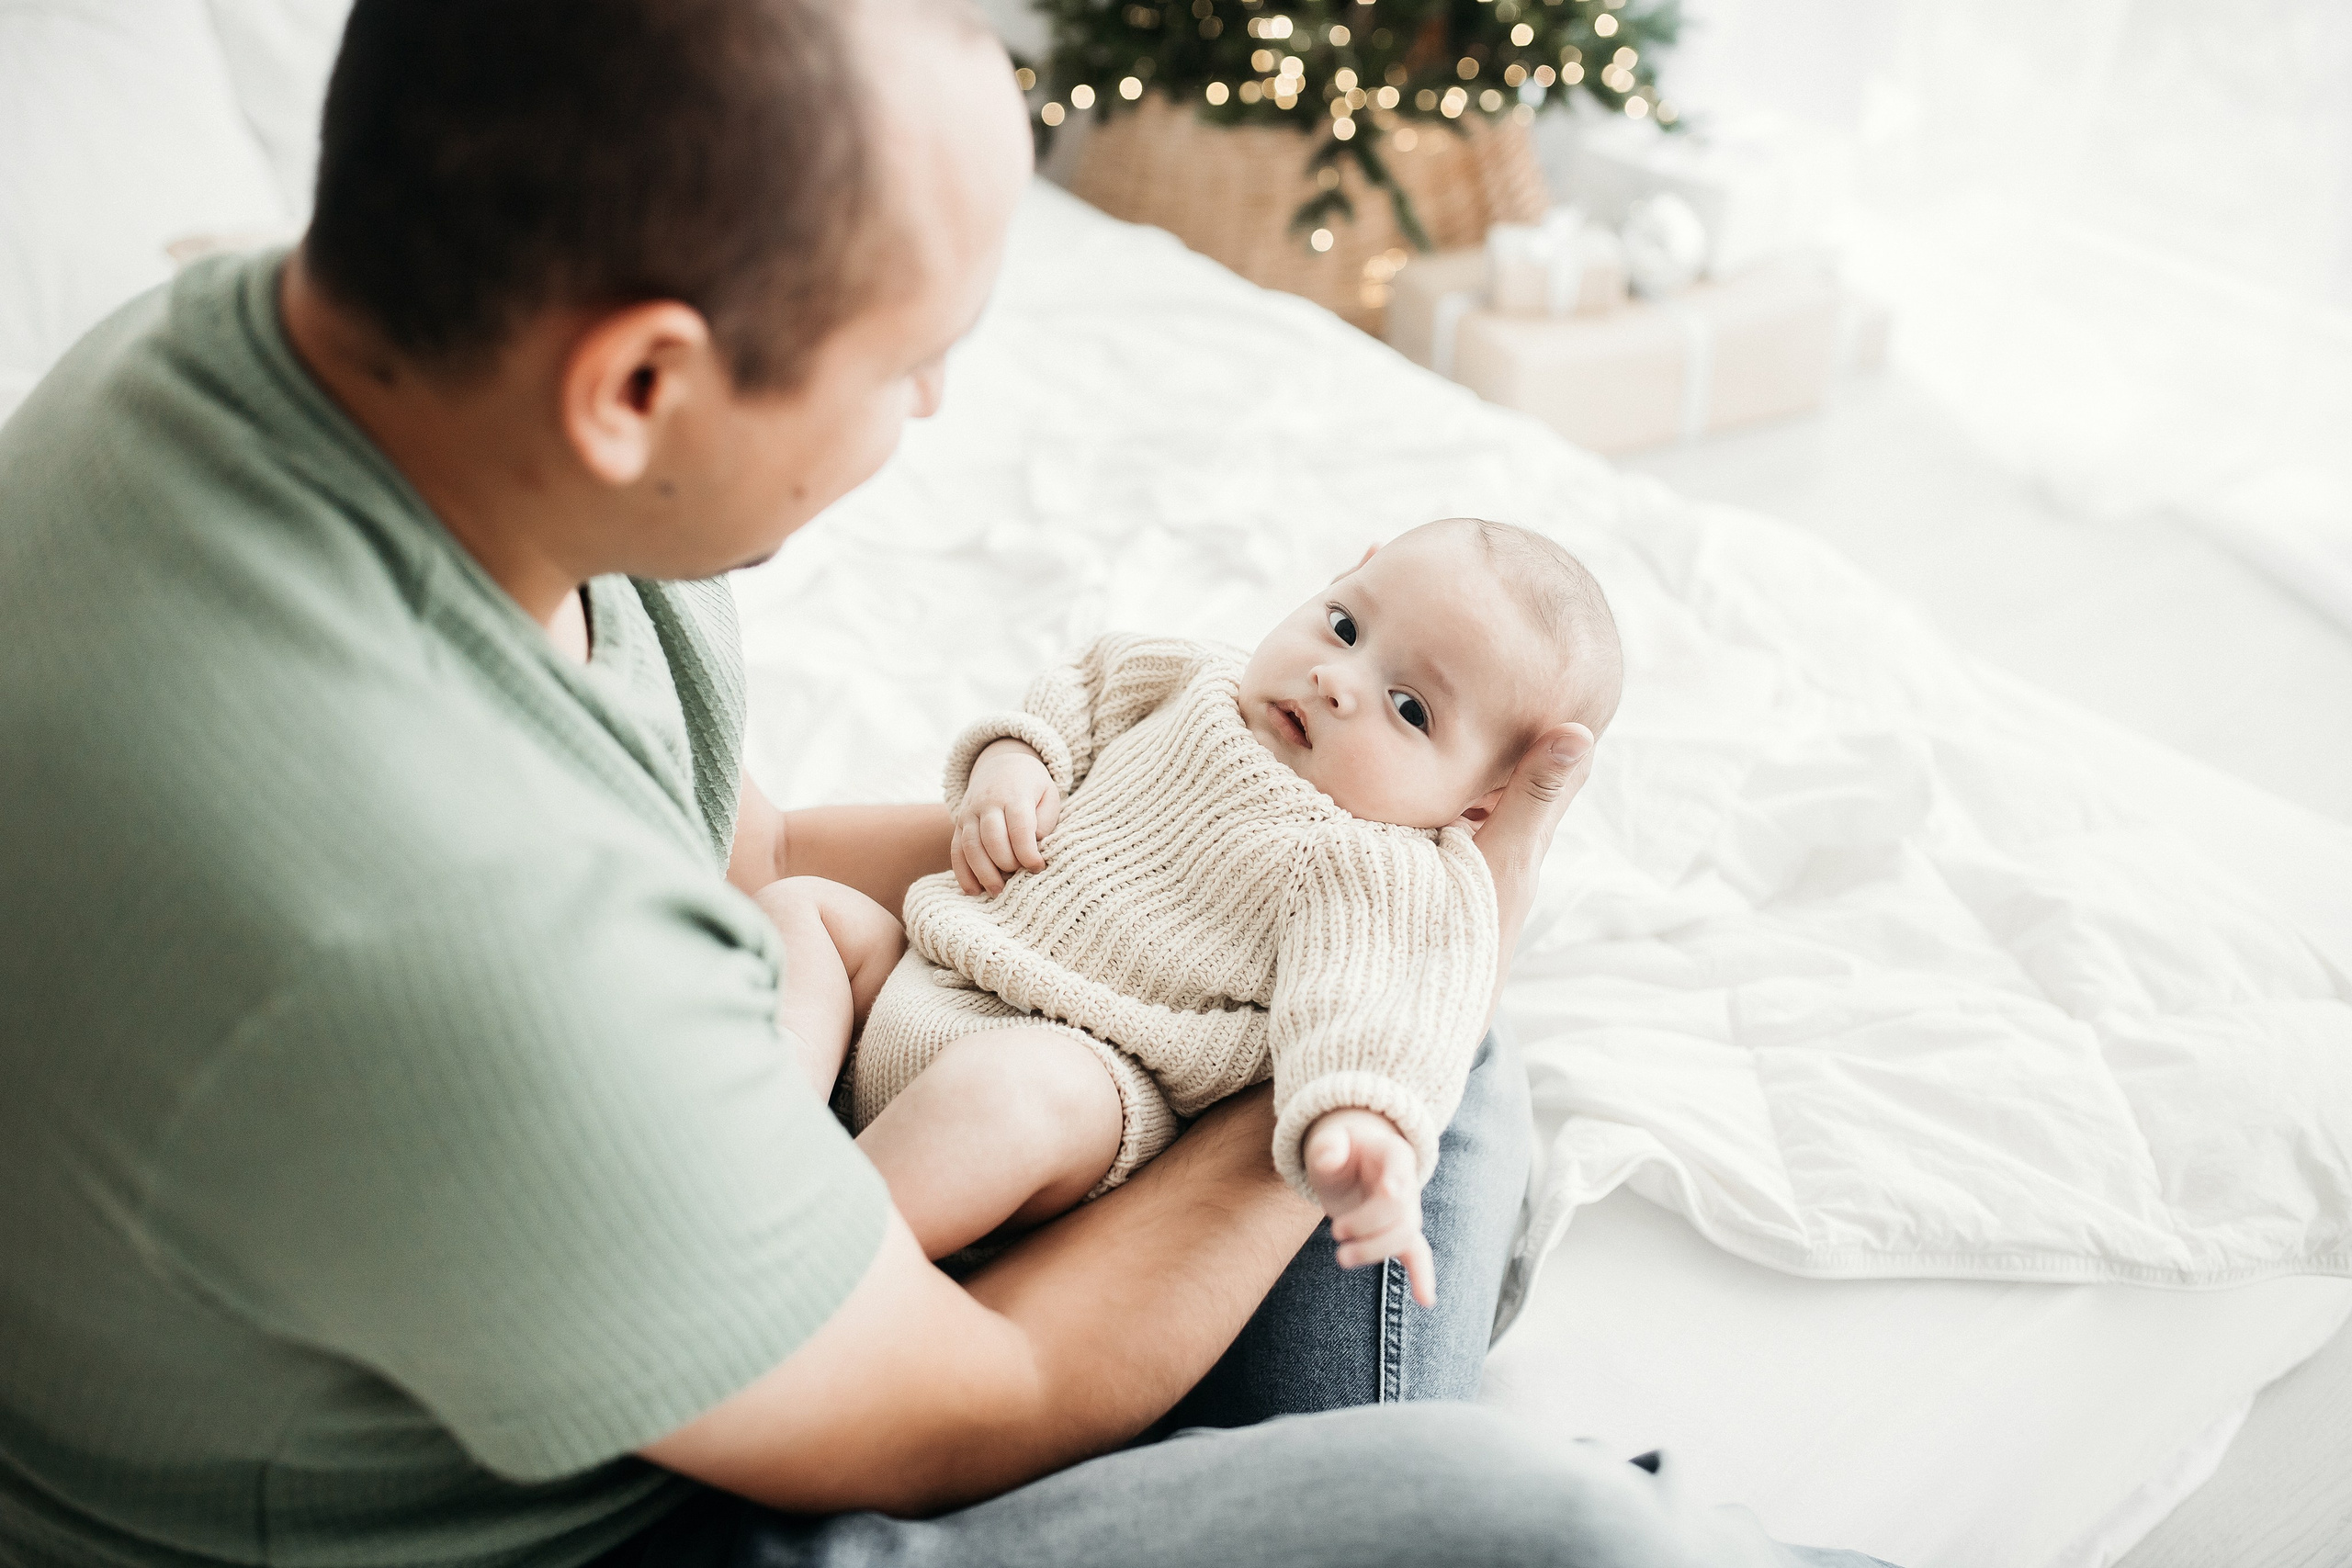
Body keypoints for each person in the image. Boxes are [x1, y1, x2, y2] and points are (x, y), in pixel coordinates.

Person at [0, 0, 1891, 1563]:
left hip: (589, 1277)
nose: (936, 408)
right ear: (639, 387)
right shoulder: (432, 931)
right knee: (1546, 1513)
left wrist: (1228, 924)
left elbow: (735, 843)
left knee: (1406, 950)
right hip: (606, 1511)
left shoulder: (292, 362)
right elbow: (978, 1390)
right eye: (912, 356)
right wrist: (1362, 1024)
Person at [778, 520, 1622, 1307]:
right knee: (803, 911)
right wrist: (1014, 759)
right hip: (926, 975)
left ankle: (802, 1254)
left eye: (1410, 709)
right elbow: (1081, 689)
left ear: (1480, 805)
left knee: (1012, 1092)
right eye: (1344, 626)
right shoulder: (1193, 677)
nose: (1337, 681)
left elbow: (1370, 1007)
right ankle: (764, 1118)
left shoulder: (1371, 864)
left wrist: (1359, 1126)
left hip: (1087, 1069)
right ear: (1340, 577)